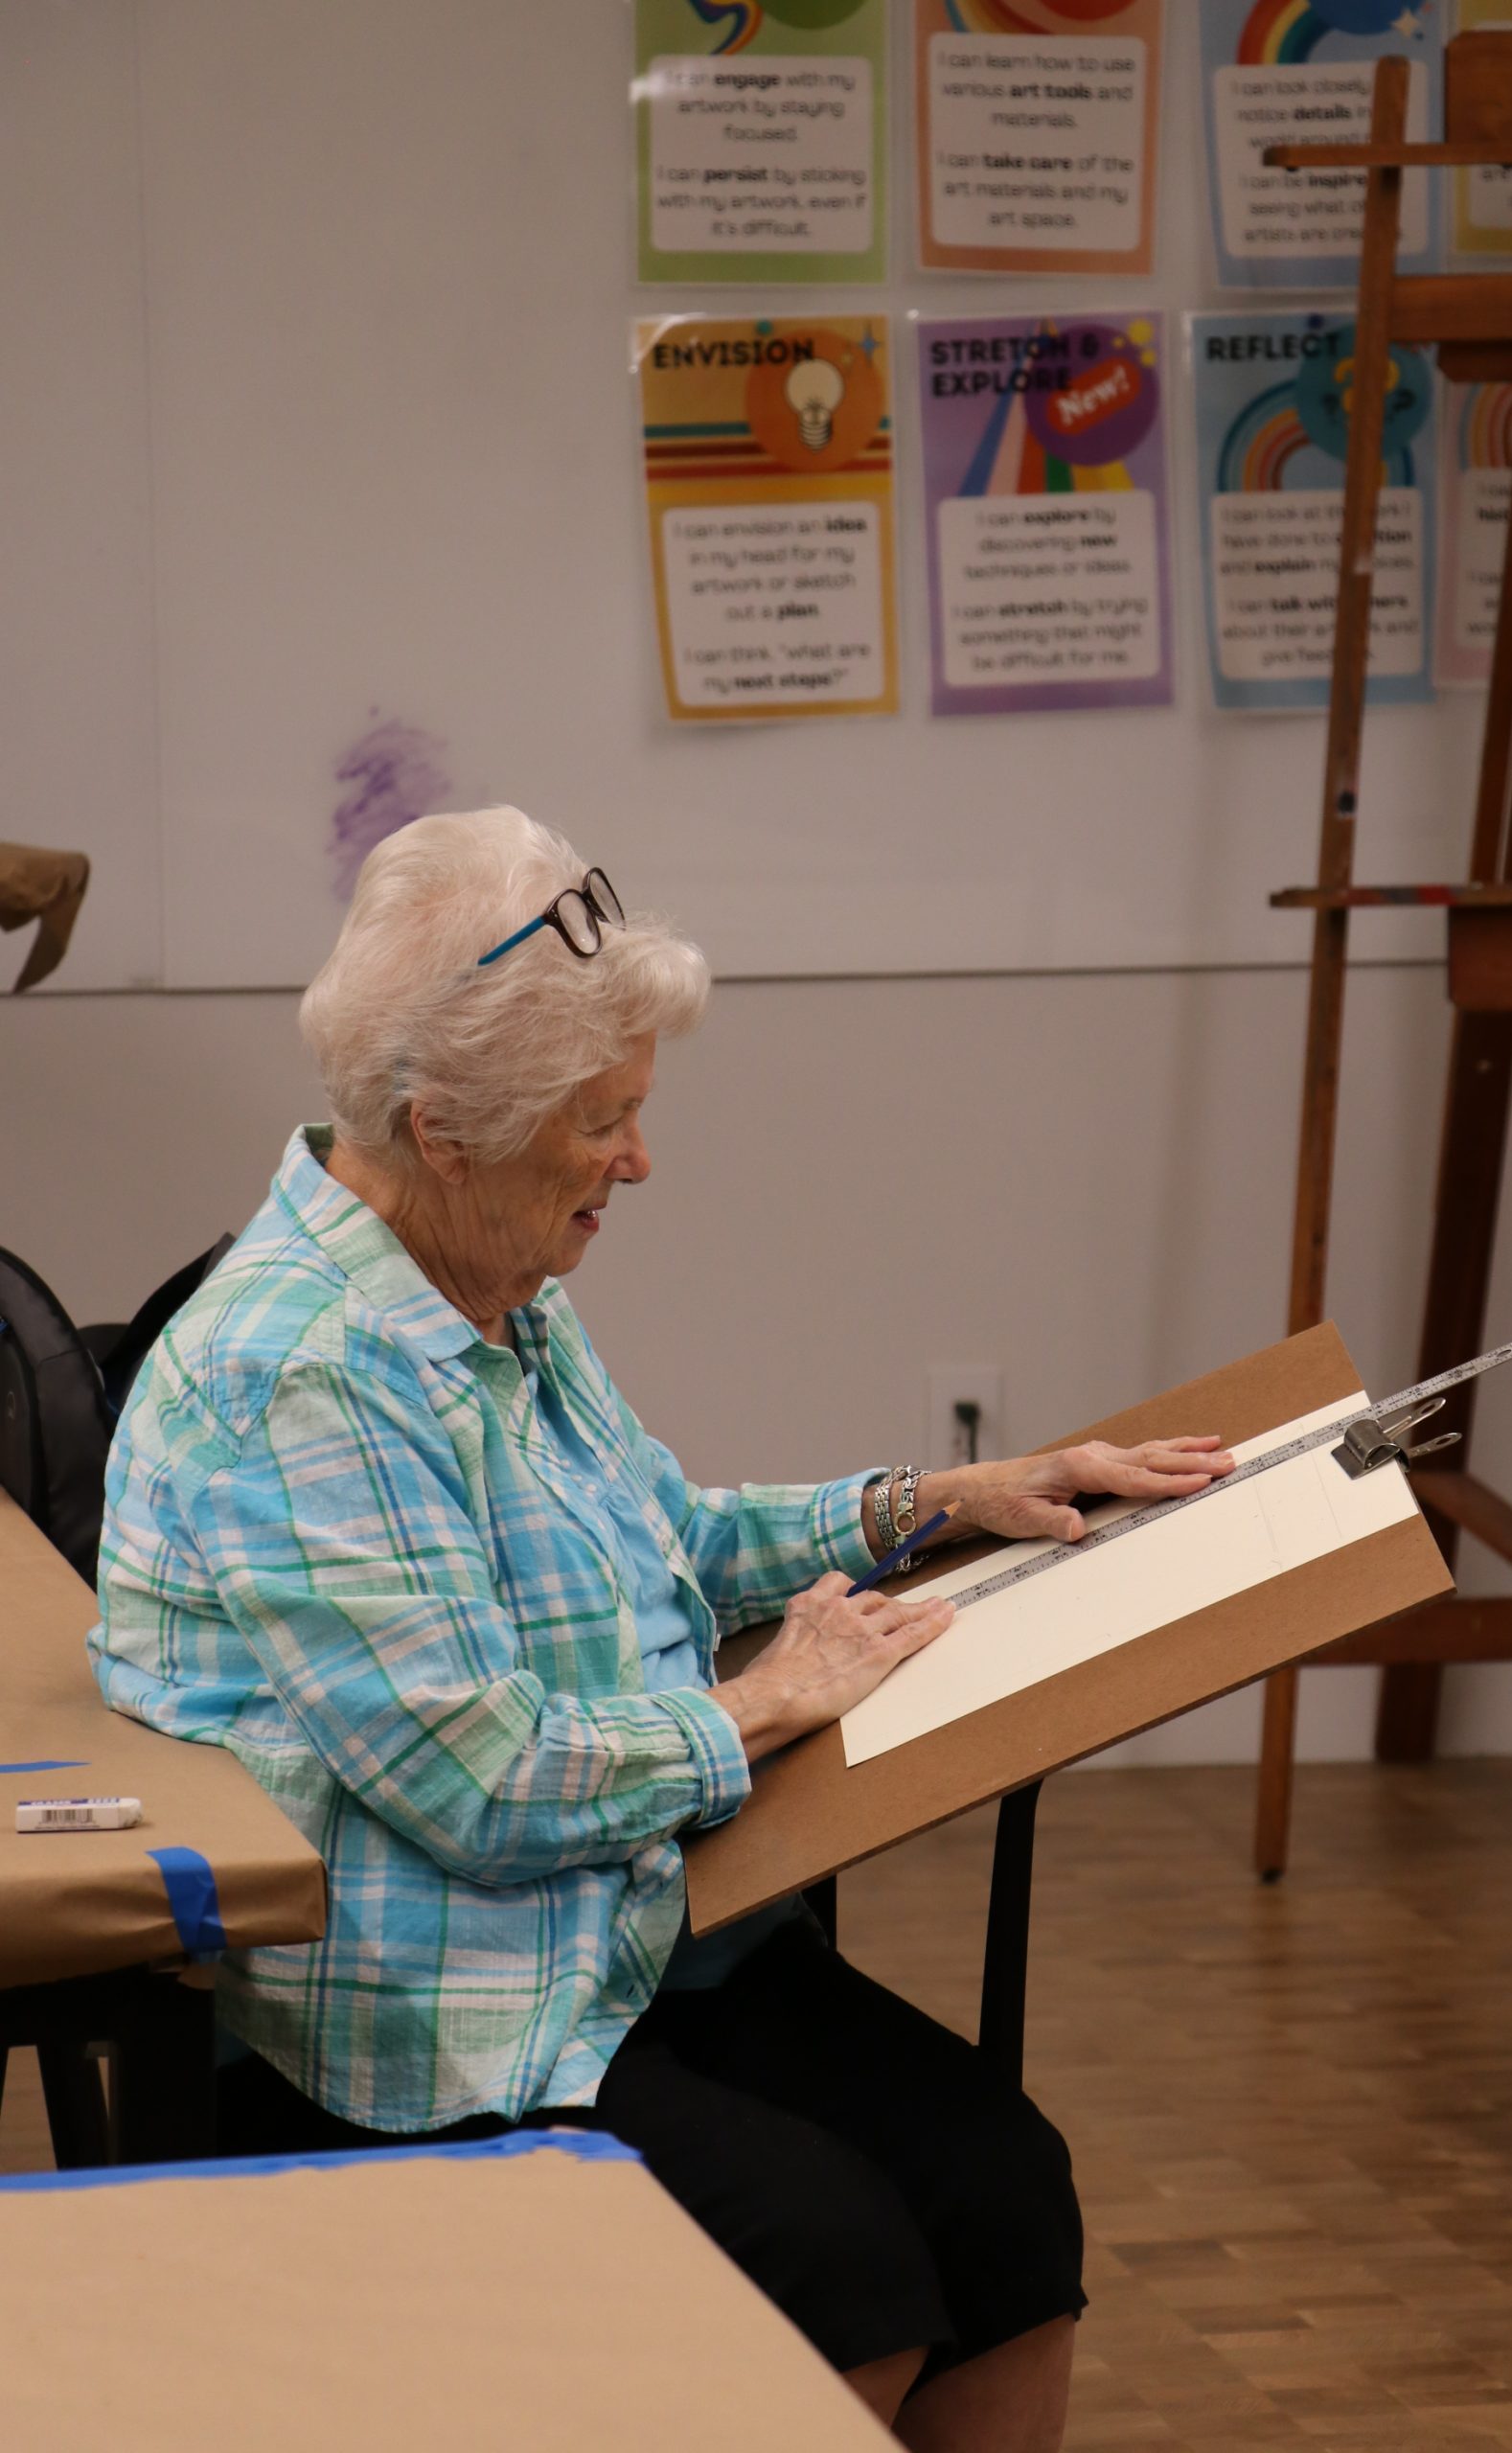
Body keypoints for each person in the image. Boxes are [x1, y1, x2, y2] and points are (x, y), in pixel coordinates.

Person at [91, 808, 1233, 2450]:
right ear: (449, 1133)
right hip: (435, 2006)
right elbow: (483, 1783)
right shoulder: (307, 1373)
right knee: (833, 2267)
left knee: (1002, 2193)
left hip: (609, 1922)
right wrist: (767, 1707)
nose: (638, 1162)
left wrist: (943, 1501)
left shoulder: (489, 1280)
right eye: (603, 1123)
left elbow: (669, 1540)